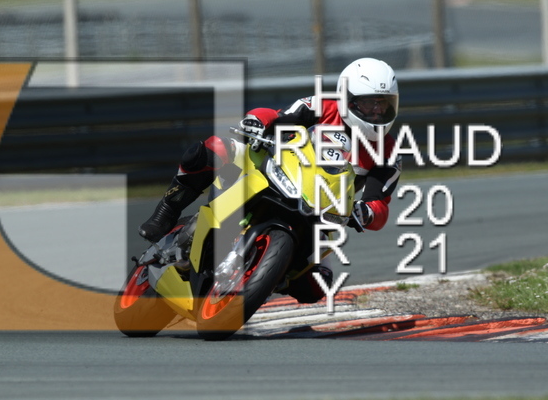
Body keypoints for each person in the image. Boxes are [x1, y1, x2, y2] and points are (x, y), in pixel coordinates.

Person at [138, 57, 401, 303]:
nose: (377, 111)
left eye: (384, 104)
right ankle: (166, 211)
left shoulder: (389, 152)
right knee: (209, 150)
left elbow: (379, 203)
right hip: (276, 169)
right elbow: (278, 116)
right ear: (347, 99)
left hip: (320, 212)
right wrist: (257, 120)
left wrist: (366, 212)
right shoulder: (322, 107)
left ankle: (269, 273)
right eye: (369, 103)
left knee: (317, 285)